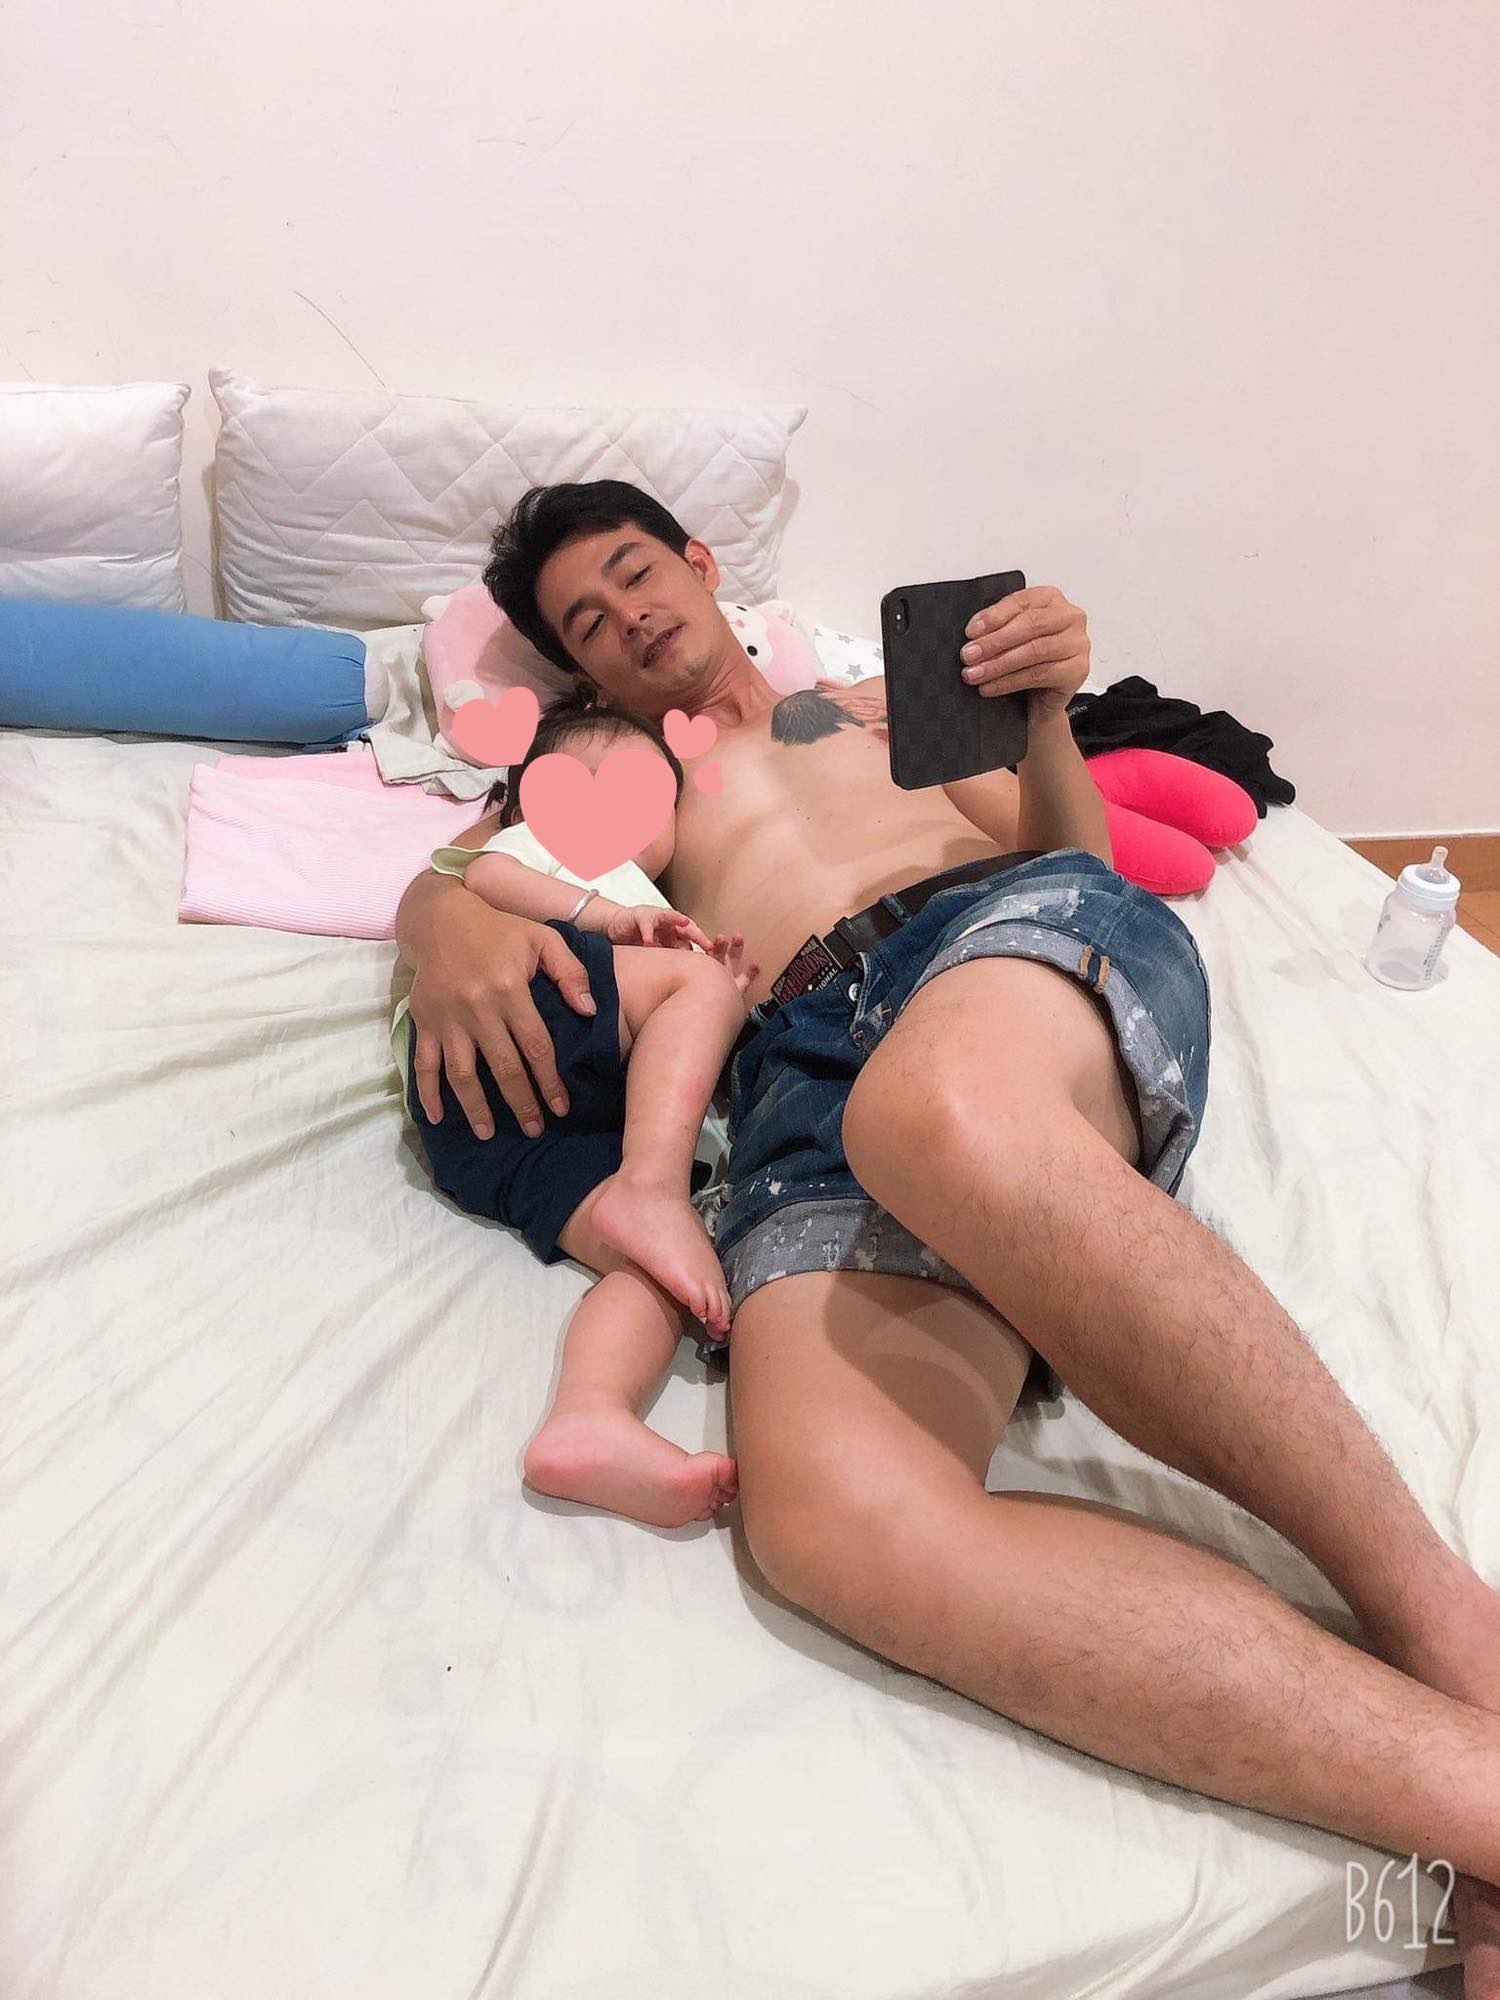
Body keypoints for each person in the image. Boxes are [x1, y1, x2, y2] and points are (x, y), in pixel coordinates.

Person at [395, 480, 1500, 1988]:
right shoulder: (618, 772)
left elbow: (1075, 849)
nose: (628, 620)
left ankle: (1448, 1626)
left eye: (637, 573)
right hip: (797, 1054)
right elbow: (478, 879)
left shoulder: (867, 709)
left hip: (990, 932)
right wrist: (436, 919)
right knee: (832, 1520)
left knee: (940, 1118)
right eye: (586, 624)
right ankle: (1471, 1796)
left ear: (704, 564)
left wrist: (1041, 719)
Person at [393, 692, 758, 1529]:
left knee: (665, 1275)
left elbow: (668, 1040)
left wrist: (720, 995)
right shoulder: (535, 854)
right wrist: (621, 923)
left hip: (507, 1137)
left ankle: (590, 1417)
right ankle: (653, 1188)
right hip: (494, 1025)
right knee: (696, 996)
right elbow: (484, 877)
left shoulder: (648, 900)